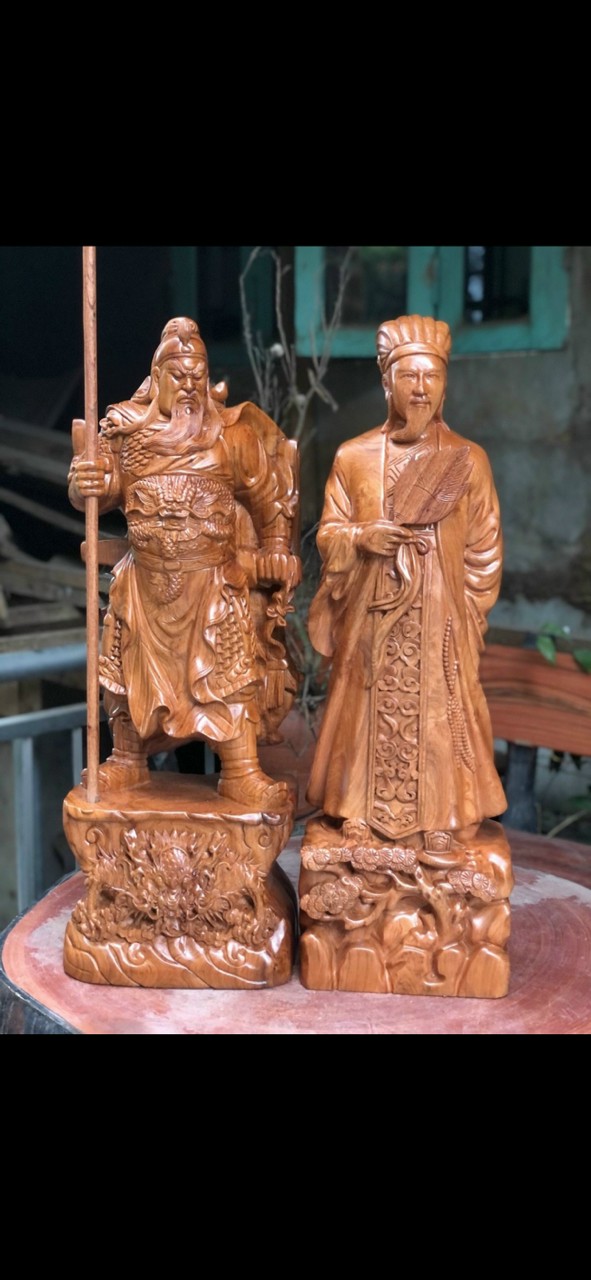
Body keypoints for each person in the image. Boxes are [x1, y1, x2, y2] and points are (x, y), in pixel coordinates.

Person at [69, 316, 300, 807]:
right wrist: (87, 481)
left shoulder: (232, 439)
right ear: (157, 380)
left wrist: (277, 546)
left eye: (198, 375)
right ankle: (127, 760)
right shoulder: (128, 437)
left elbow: (268, 497)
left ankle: (241, 770)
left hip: (212, 582)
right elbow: (99, 493)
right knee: (123, 671)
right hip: (145, 585)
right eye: (178, 375)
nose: (190, 385)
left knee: (229, 674)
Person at [306, 314, 506, 846]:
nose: (421, 389)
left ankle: (441, 816)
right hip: (371, 618)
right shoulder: (354, 457)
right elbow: (328, 534)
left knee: (439, 713)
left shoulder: (467, 460)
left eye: (432, 377)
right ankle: (355, 808)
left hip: (440, 622)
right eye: (409, 376)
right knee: (364, 710)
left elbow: (485, 549)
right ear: (386, 382)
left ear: (445, 385)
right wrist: (360, 539)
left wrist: (464, 612)